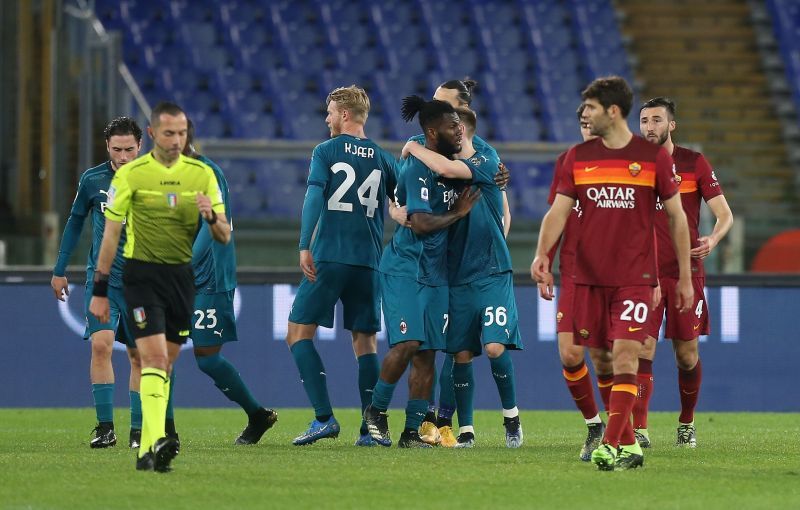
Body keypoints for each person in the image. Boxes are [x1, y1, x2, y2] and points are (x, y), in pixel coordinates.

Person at [531, 76, 693, 471]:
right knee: (601, 360)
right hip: (586, 277)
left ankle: (614, 442)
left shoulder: (654, 158)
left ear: (612, 111)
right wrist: (542, 254)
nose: (584, 113)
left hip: (634, 278)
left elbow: (677, 219)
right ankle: (625, 442)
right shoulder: (577, 157)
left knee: (626, 355)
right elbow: (558, 211)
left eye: (590, 107)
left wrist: (684, 277)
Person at [89, 102, 230, 472]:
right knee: (150, 358)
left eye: (182, 133)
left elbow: (224, 235)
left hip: (180, 280)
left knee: (164, 363)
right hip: (141, 277)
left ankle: (147, 447)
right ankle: (152, 443)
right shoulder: (131, 176)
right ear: (152, 134)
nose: (176, 140)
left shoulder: (201, 175)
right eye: (169, 133)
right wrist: (100, 289)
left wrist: (211, 215)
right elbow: (110, 235)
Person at [363, 96, 480, 448]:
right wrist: (458, 214)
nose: (458, 131)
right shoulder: (417, 169)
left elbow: (485, 169)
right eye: (450, 127)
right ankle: (377, 410)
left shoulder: (452, 164)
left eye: (459, 125)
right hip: (405, 268)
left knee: (428, 352)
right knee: (409, 342)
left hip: (436, 273)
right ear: (432, 132)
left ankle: (411, 431)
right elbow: (420, 222)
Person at [403, 107, 521, 448]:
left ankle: (511, 416)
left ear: (465, 132)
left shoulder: (485, 161)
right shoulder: (434, 171)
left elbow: (445, 166)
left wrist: (411, 146)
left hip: (492, 269)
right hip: (455, 274)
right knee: (461, 354)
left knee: (496, 346)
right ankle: (466, 429)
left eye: (458, 129)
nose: (454, 134)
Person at [286, 85, 397, 447]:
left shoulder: (326, 151)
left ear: (345, 115)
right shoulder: (383, 158)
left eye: (330, 111)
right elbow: (403, 203)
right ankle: (371, 429)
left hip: (330, 256)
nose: (327, 117)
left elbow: (314, 196)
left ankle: (323, 418)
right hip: (368, 262)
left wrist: (305, 245)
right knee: (365, 343)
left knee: (298, 333)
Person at [634, 97, 733, 448]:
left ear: (671, 125)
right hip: (643, 275)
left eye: (657, 120)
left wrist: (713, 239)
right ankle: (639, 429)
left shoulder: (693, 163)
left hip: (685, 271)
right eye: (644, 120)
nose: (649, 126)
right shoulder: (632, 165)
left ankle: (687, 423)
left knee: (686, 355)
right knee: (642, 349)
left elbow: (725, 214)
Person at [183, 120, 278, 445]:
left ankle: (256, 414)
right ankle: (157, 430)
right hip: (172, 277)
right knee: (156, 355)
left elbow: (216, 229)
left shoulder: (207, 174)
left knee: (207, 358)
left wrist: (182, 267)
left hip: (208, 278)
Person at [51, 117, 144, 449]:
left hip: (141, 283)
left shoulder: (153, 179)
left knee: (138, 355)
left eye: (128, 149)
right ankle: (105, 427)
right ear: (107, 147)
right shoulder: (92, 180)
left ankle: (138, 431)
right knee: (101, 346)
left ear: (140, 146)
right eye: (116, 149)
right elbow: (75, 222)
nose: (122, 156)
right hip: (101, 280)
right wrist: (60, 268)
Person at [539, 105, 612, 461]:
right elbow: (557, 215)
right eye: (581, 123)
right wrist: (545, 261)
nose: (587, 129)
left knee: (604, 358)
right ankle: (594, 425)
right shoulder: (568, 161)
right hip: (574, 273)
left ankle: (620, 431)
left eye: (591, 123)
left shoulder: (627, 164)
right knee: (570, 354)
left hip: (615, 274)